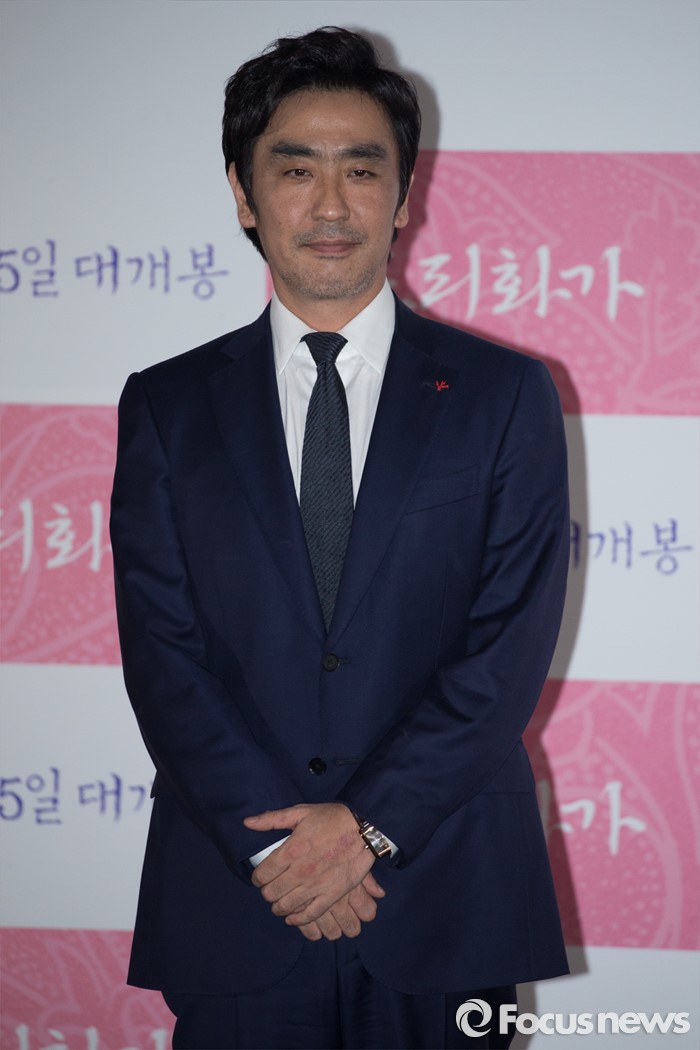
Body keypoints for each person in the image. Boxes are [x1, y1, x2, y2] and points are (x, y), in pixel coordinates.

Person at [110, 26, 570, 1050]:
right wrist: (279, 853)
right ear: (243, 194)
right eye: (295, 170)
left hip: (446, 889)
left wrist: (366, 828)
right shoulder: (167, 407)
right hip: (241, 900)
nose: (330, 206)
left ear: (404, 197)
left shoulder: (503, 394)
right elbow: (162, 653)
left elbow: (506, 649)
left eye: (362, 171)